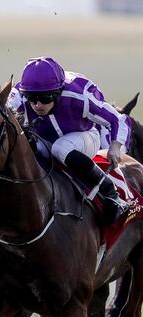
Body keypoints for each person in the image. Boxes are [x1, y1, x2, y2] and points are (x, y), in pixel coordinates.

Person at [8, 57, 133, 223]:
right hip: (44, 141)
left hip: (84, 137)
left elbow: (118, 119)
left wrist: (115, 146)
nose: (38, 105)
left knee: (60, 148)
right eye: (32, 98)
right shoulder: (17, 98)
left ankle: (110, 191)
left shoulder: (80, 94)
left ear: (59, 92)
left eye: (46, 98)